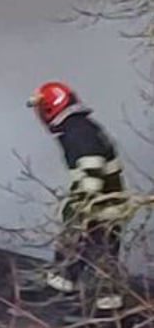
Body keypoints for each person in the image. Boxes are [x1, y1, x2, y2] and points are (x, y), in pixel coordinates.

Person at [28, 81, 129, 314]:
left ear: (50, 108)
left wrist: (80, 209)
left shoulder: (78, 132)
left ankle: (105, 312)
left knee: (96, 253)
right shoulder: (80, 127)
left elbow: (92, 171)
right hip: (106, 205)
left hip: (101, 208)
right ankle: (66, 289)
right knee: (84, 251)